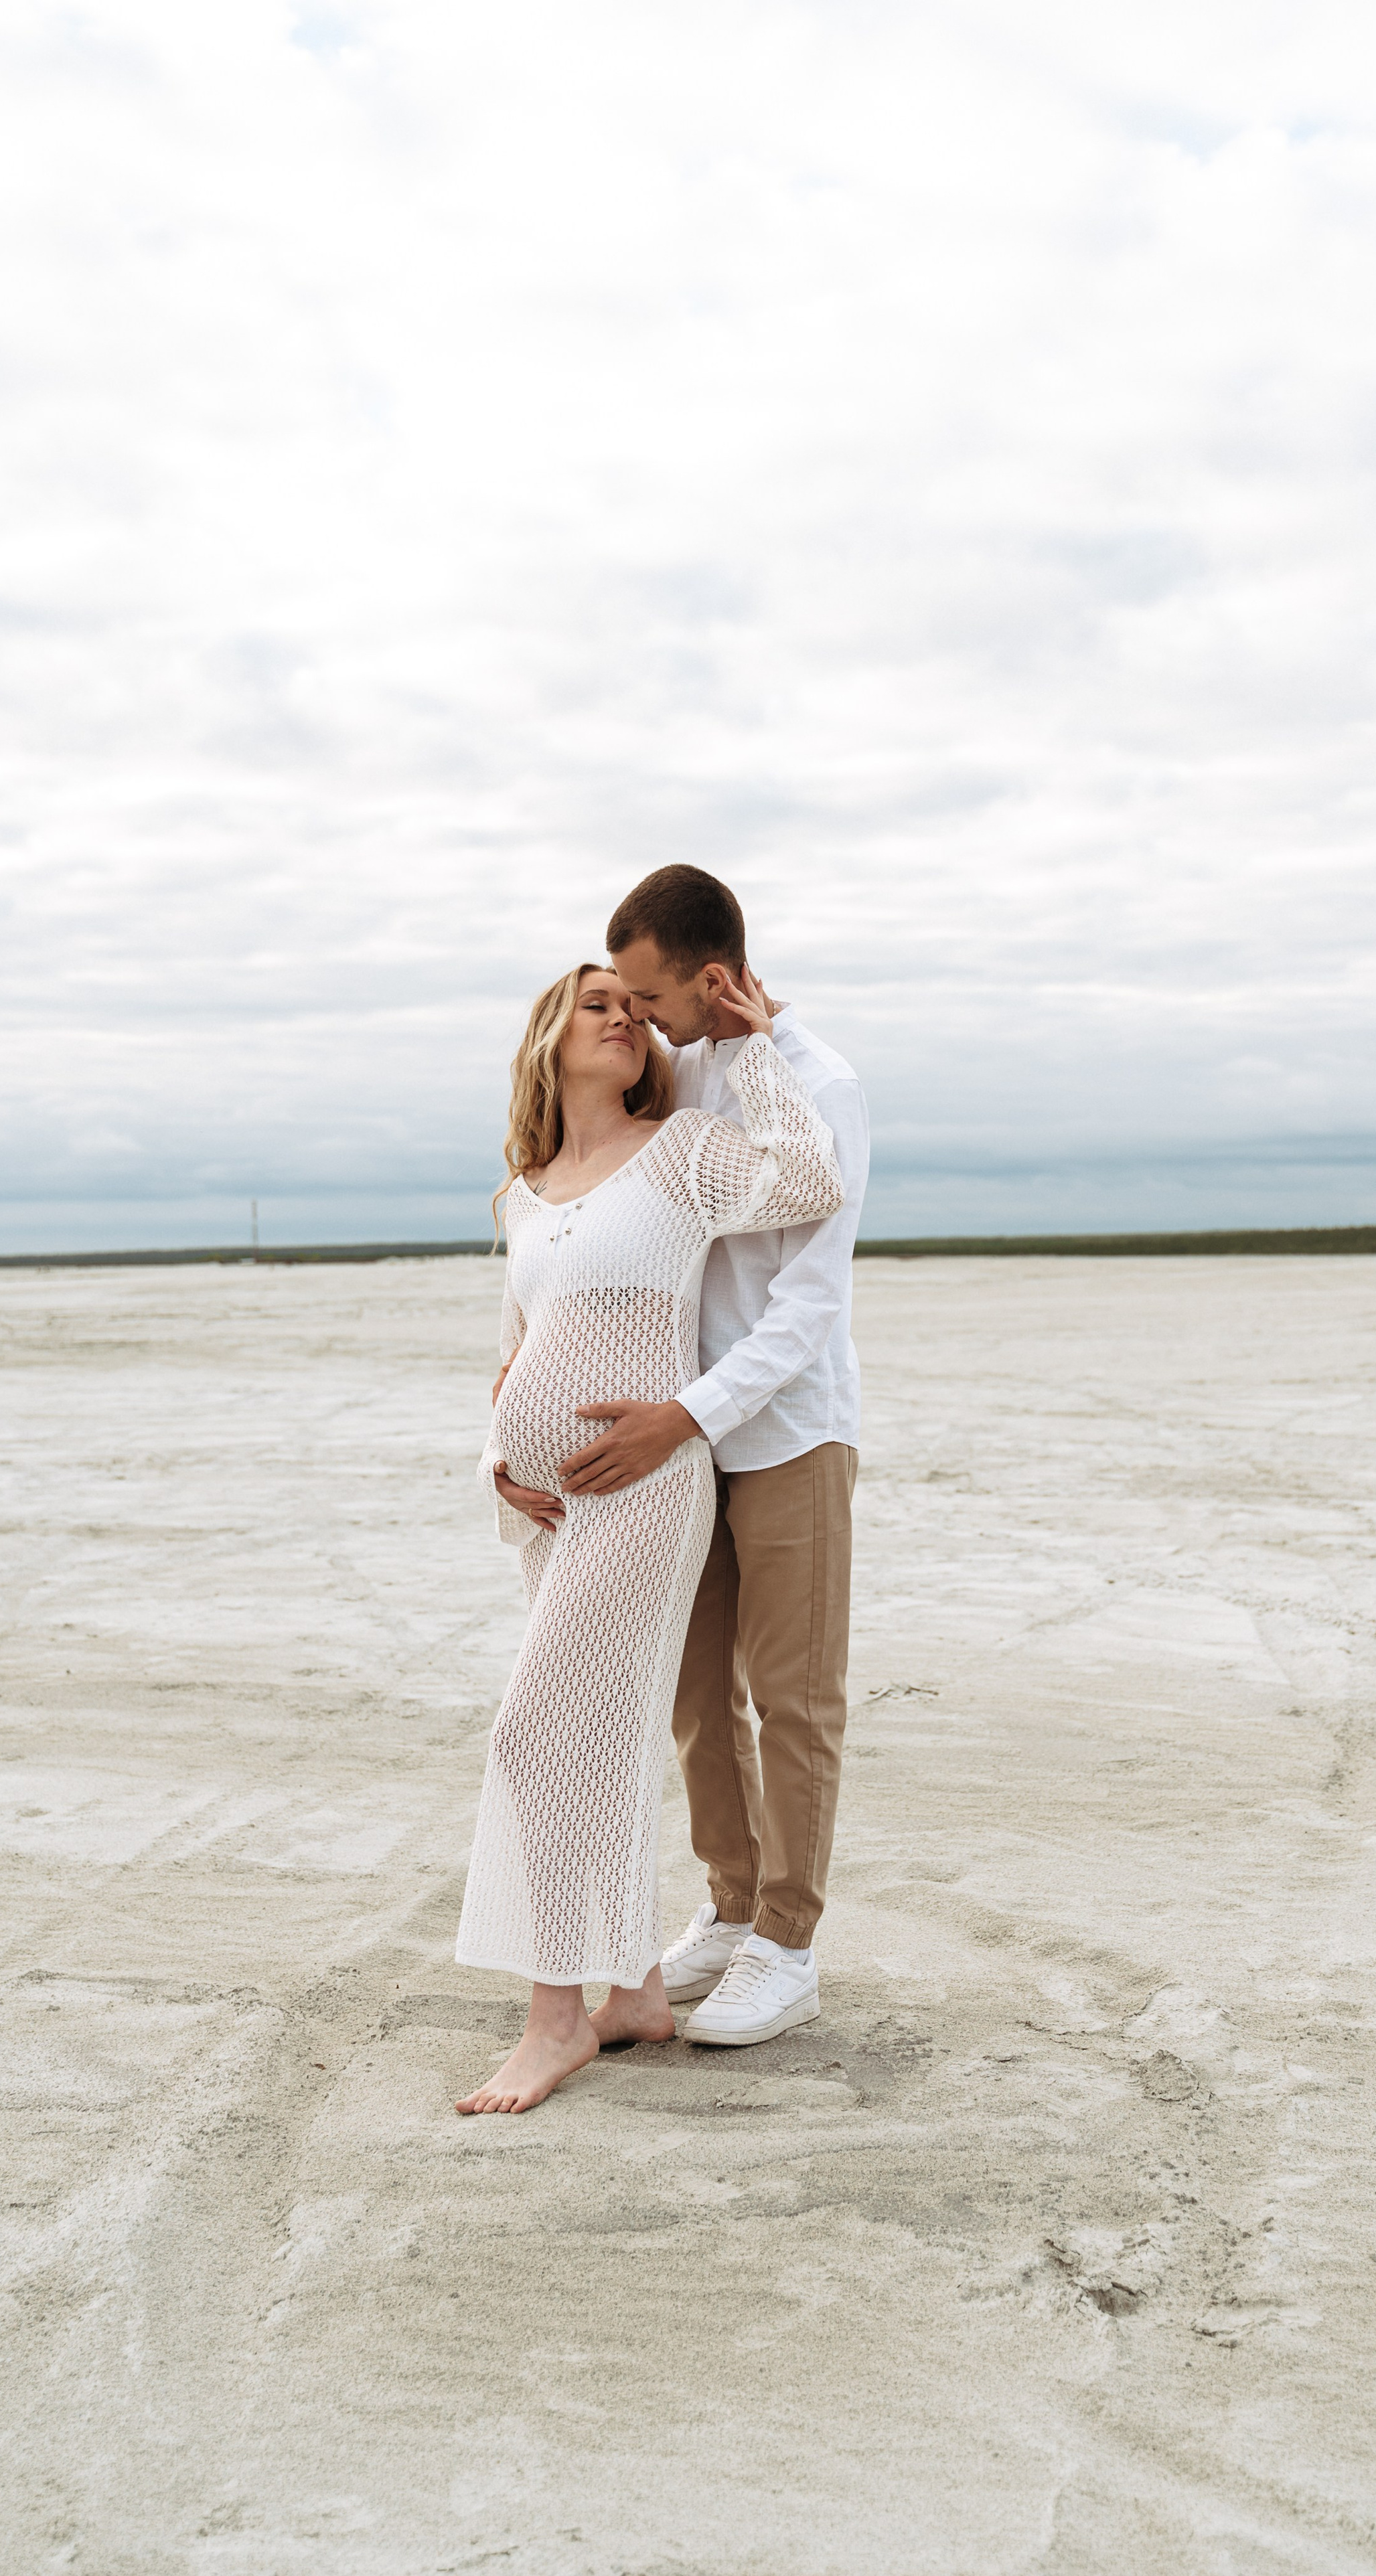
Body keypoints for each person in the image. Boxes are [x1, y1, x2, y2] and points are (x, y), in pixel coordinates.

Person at [453, 959, 844, 2115]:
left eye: (635, 1006)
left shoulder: (680, 1153)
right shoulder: (526, 1192)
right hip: (552, 1507)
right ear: (549, 1036)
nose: (624, 1017)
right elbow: (517, 1352)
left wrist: (756, 1046)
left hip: (646, 1491)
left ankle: (555, 2020)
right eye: (598, 1003)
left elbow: (810, 1178)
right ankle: (629, 1991)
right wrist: (497, 1461)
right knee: (606, 1740)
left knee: (539, 1735)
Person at [550, 865, 868, 2046]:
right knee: (696, 1695)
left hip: (785, 1430)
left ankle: (788, 1945)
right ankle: (732, 1911)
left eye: (648, 996)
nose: (635, 1019)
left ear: (715, 977)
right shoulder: (680, 1074)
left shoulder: (825, 1085)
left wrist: (686, 1415)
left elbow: (806, 1306)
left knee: (794, 1698)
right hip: (674, 1442)